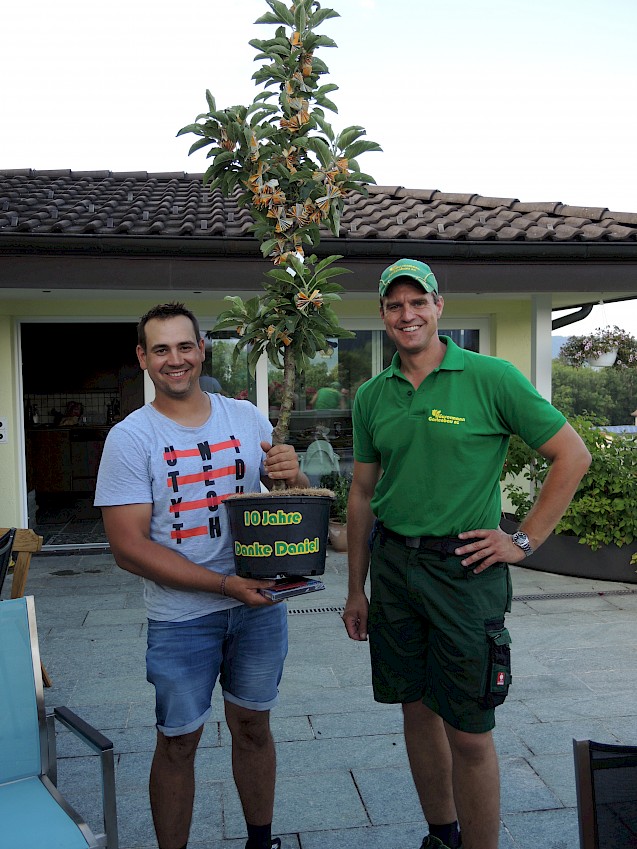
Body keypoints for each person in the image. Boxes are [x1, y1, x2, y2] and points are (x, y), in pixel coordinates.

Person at [342, 259, 591, 849]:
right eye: (395, 305)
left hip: (465, 569)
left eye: (418, 302)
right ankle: (442, 835)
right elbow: (363, 493)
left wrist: (524, 540)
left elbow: (572, 454)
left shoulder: (491, 377)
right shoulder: (372, 395)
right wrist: (355, 589)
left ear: (438, 307)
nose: (407, 314)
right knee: (415, 709)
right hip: (395, 568)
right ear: (382, 315)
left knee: (471, 729)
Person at [95, 301, 309, 849]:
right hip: (181, 618)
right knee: (178, 742)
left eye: (185, 346)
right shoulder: (131, 438)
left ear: (202, 349)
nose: (176, 359)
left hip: (258, 610)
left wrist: (295, 475)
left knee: (254, 728)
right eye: (161, 349)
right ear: (142, 357)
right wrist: (222, 585)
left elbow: (288, 501)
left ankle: (261, 841)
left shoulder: (245, 417)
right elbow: (128, 548)